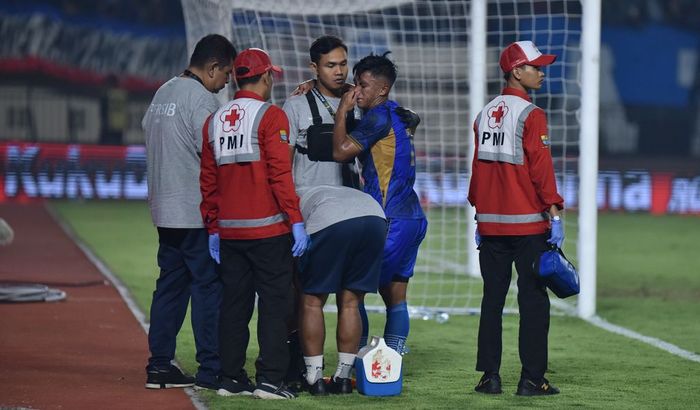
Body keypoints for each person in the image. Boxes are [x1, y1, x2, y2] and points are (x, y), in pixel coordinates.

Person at [199, 47, 309, 400]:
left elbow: (208, 181)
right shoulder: (271, 116)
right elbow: (280, 175)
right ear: (265, 77)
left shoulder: (215, 120)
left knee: (233, 306)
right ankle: (270, 380)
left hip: (230, 233)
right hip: (268, 230)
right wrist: (296, 220)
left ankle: (230, 378)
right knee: (276, 305)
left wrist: (213, 228)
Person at [468, 40, 565, 396]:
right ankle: (531, 379)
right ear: (516, 71)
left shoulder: (484, 114)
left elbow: (478, 171)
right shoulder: (531, 114)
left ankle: (489, 377)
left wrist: (479, 214)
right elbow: (541, 171)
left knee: (492, 302)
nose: (541, 72)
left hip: (491, 226)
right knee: (534, 302)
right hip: (527, 226)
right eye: (535, 67)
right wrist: (554, 211)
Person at [141, 34, 236, 391]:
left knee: (168, 287)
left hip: (164, 210)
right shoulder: (202, 101)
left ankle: (159, 366)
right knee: (208, 289)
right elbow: (214, 157)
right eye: (225, 73)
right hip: (196, 213)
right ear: (212, 67)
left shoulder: (162, 92)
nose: (226, 81)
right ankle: (211, 368)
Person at [332, 52, 428, 357]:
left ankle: (357, 358)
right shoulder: (397, 112)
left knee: (350, 292)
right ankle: (393, 359)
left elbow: (341, 152)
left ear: (382, 89)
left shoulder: (378, 117)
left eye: (362, 85)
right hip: (411, 216)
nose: (356, 91)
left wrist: (340, 112)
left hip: (390, 220)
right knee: (395, 297)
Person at [296, 185, 387, 395]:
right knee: (351, 303)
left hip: (331, 221)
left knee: (312, 300)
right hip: (376, 219)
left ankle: (314, 377)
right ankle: (344, 377)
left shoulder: (294, 199)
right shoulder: (330, 190)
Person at [283, 35, 360, 192]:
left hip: (351, 200)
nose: (339, 72)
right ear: (314, 68)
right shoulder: (295, 104)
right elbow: (284, 163)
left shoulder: (358, 102)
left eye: (343, 64)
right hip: (309, 201)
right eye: (330, 66)